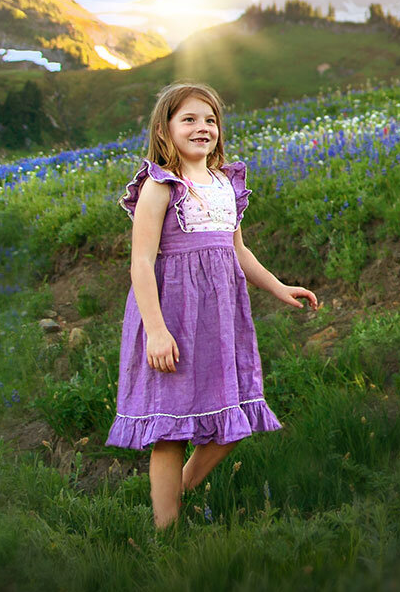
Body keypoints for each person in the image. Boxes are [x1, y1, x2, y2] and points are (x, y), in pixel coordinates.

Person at [105, 81, 318, 530]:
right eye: (189, 119)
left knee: (231, 419)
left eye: (211, 120)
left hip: (219, 319)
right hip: (172, 318)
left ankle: (176, 494)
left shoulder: (225, 184)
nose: (203, 128)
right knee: (171, 431)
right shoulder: (160, 186)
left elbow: (237, 249)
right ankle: (167, 534)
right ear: (165, 130)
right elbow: (140, 263)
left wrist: (279, 286)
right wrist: (156, 330)